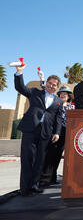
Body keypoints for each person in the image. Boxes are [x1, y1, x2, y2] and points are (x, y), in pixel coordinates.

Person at [14, 64, 62, 197]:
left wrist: (57, 133)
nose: (51, 86)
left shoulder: (58, 101)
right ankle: (25, 188)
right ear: (46, 83)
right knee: (27, 160)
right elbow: (21, 88)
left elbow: (58, 118)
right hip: (30, 130)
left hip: (45, 134)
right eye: (50, 83)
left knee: (39, 161)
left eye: (54, 85)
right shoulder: (36, 92)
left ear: (57, 87)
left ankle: (34, 186)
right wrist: (19, 73)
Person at [40, 85, 75, 187]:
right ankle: (45, 178)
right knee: (50, 154)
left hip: (66, 132)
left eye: (65, 94)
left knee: (58, 155)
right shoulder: (54, 104)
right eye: (61, 94)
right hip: (54, 131)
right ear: (58, 95)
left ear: (69, 96)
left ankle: (53, 177)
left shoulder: (72, 107)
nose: (63, 95)